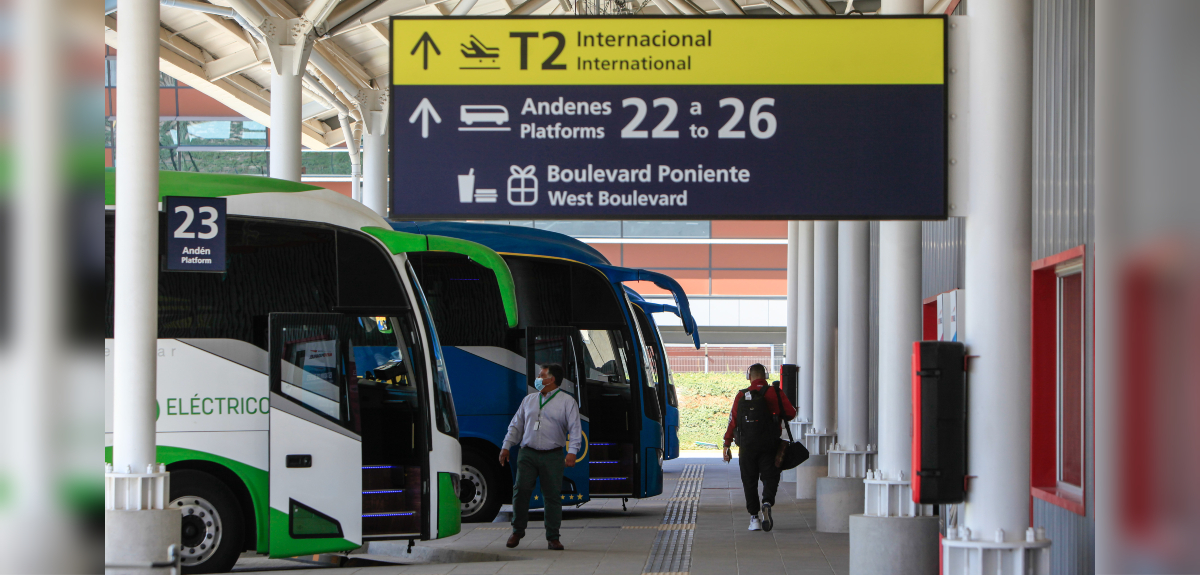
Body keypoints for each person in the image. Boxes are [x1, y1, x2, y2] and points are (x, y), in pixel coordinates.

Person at [498, 363, 582, 550]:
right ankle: (517, 531)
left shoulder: (567, 402)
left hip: (552, 455)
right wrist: (506, 446)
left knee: (552, 496)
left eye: (541, 375)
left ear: (552, 379)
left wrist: (572, 452)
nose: (537, 378)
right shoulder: (529, 400)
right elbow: (516, 425)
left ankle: (553, 537)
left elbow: (575, 428)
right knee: (521, 490)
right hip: (527, 452)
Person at [722, 363, 796, 532]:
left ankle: (754, 518)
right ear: (765, 376)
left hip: (747, 446)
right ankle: (767, 502)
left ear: (749, 377)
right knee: (771, 476)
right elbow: (791, 413)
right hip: (770, 444)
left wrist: (727, 444)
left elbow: (733, 421)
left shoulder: (742, 395)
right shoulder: (775, 392)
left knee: (749, 480)